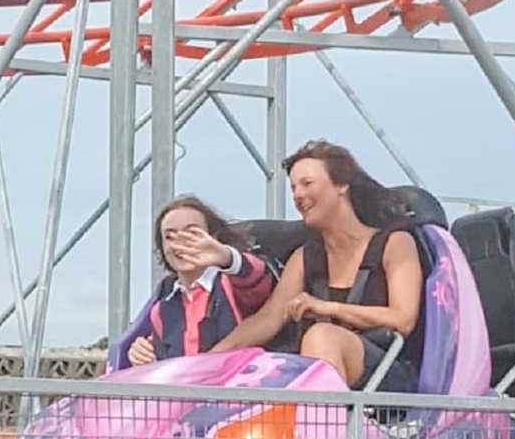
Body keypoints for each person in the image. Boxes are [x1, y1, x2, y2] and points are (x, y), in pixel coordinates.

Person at [210, 140, 425, 391]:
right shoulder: (305, 257)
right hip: (325, 370)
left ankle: (325, 427)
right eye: (293, 188)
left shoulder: (395, 243)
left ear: (341, 185)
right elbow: (268, 319)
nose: (298, 195)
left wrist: (328, 308)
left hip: (387, 374)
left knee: (321, 335)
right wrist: (212, 359)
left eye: (307, 184)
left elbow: (403, 319)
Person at [109, 196, 274, 369]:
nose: (181, 243)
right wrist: (143, 357)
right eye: (170, 236)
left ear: (213, 237)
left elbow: (256, 275)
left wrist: (226, 257)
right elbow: (169, 371)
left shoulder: (232, 282)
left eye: (192, 233)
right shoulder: (163, 303)